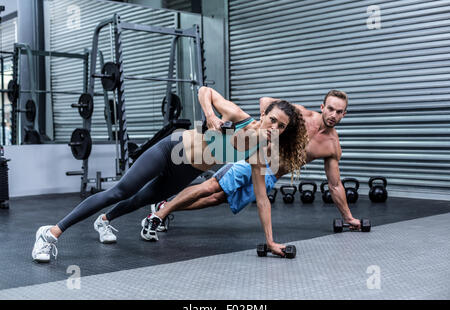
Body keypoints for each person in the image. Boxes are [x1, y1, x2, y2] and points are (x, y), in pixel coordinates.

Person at [31, 86, 308, 262]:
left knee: (143, 200)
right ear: (265, 113)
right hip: (171, 149)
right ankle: (50, 233)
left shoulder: (259, 153)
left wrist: (270, 241)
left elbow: (262, 199)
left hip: (187, 170)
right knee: (121, 191)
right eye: (273, 119)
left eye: (282, 127)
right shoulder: (239, 116)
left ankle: (105, 220)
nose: (274, 128)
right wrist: (209, 115)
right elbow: (204, 91)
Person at [139, 89, 362, 244]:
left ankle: (163, 207)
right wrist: (269, 134)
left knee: (218, 199)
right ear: (323, 106)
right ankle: (159, 215)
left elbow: (335, 185)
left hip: (270, 176)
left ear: (344, 114)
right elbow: (265, 101)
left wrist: (349, 218)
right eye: (330, 109)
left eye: (339, 112)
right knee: (211, 187)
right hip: (254, 160)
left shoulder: (332, 146)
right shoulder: (301, 114)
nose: (333, 115)